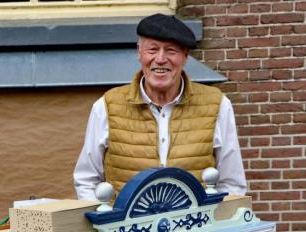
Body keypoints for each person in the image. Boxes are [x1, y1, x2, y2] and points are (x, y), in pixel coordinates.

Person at [74, 13, 247, 200]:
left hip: (195, 228)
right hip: (125, 229)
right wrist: (104, 225)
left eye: (171, 51)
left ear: (185, 57)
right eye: (152, 50)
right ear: (139, 52)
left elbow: (232, 184)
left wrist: (214, 226)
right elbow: (86, 180)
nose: (160, 59)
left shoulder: (218, 105)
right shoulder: (106, 107)